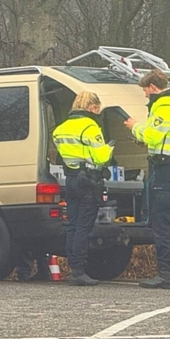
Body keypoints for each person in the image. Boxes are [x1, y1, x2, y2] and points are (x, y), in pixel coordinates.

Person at [124, 69, 170, 290]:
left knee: (162, 223)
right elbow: (167, 137)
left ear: (153, 87)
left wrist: (135, 127)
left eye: (145, 91)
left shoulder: (164, 106)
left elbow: (152, 135)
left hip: (165, 169)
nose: (145, 95)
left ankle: (165, 274)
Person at [52, 91, 114, 286]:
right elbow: (101, 157)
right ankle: (79, 270)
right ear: (92, 107)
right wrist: (109, 149)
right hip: (88, 181)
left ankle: (73, 267)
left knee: (72, 226)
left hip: (71, 179)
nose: (98, 112)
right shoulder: (90, 127)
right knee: (83, 227)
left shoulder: (61, 129)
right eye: (98, 109)